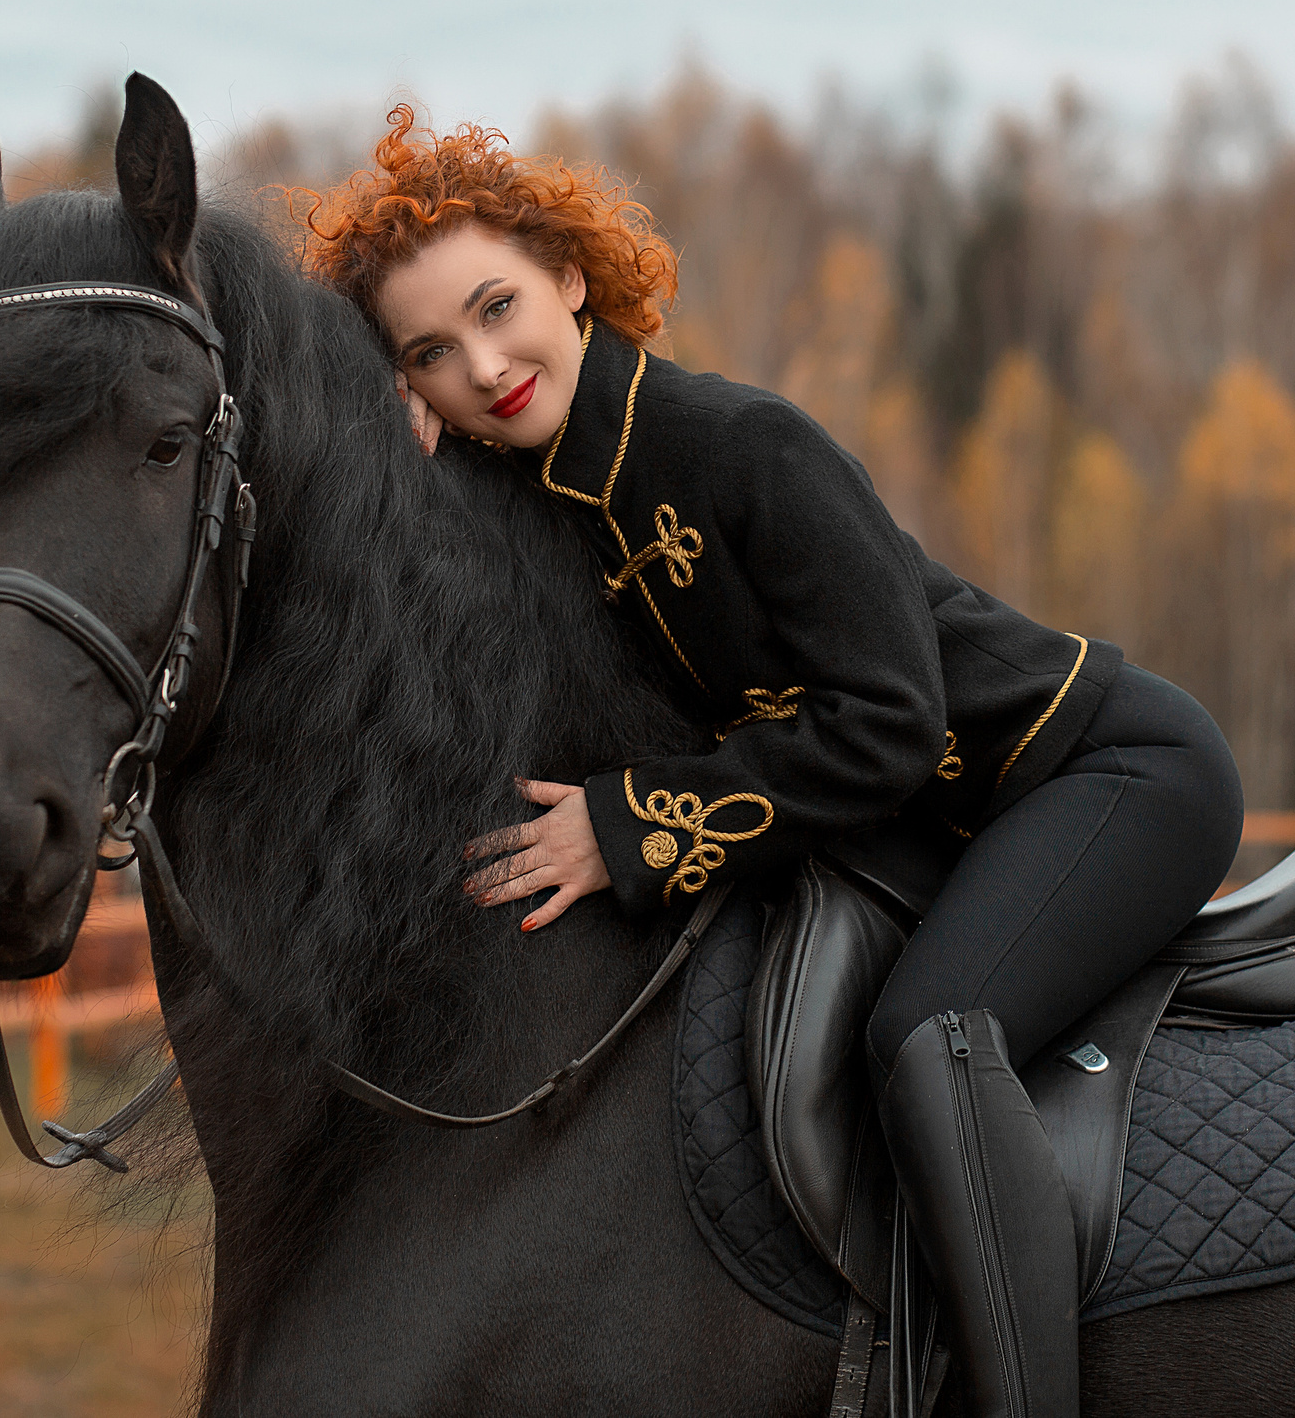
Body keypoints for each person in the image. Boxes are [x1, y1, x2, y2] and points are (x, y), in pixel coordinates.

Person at [303, 109, 1242, 1418]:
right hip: (920, 835)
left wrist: (630, 827)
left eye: (497, 306)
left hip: (1101, 775)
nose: (486, 365)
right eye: (431, 354)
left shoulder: (740, 446)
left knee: (929, 1035)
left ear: (569, 277)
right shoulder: (526, 508)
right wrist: (401, 490)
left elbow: (889, 726)